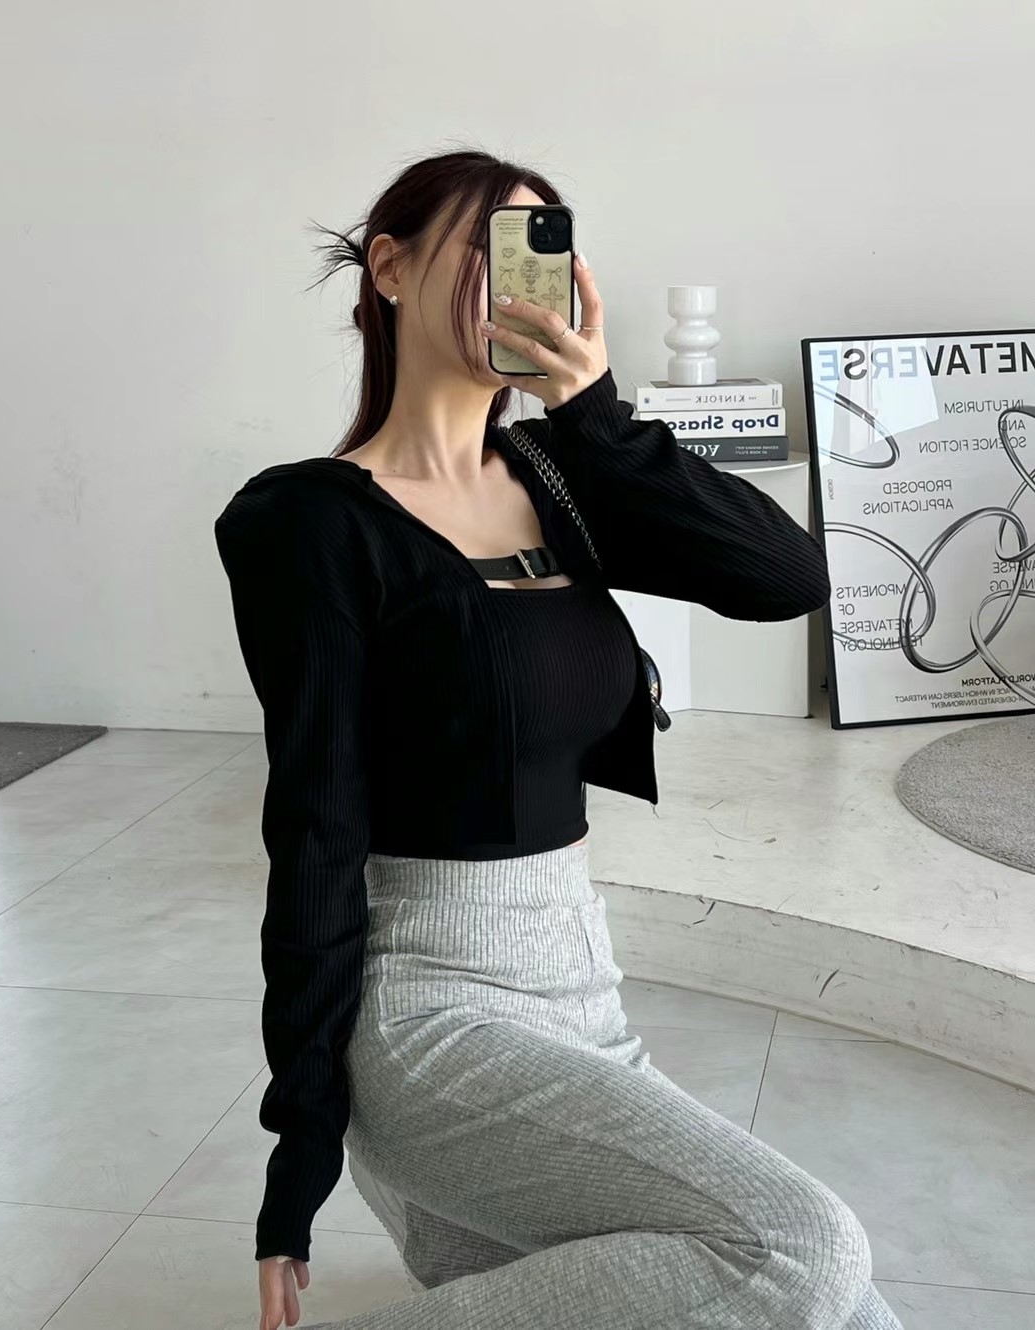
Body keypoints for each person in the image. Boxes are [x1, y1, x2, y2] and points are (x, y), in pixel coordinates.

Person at [214, 148, 903, 1330]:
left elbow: (787, 579)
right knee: (801, 1247)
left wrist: (594, 416)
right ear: (390, 268)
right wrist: (300, 1154)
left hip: (580, 990)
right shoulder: (307, 522)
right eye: (484, 249)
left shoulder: (556, 473)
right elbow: (314, 832)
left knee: (854, 1313)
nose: (512, 283)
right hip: (429, 1012)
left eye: (535, 252)